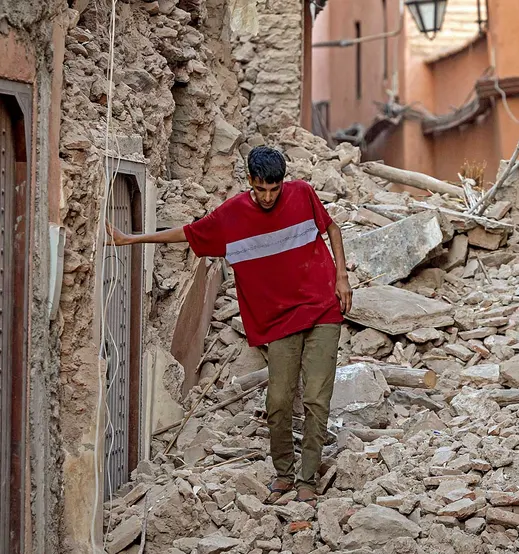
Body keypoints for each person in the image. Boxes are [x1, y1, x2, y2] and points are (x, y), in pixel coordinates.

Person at [106, 146, 352, 508]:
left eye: (274, 189)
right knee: (279, 401)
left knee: (317, 398)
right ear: (250, 181)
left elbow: (330, 227)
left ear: (283, 182)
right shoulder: (232, 215)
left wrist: (342, 277)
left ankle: (307, 479)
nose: (268, 197)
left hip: (322, 310)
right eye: (261, 189)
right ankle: (284, 474)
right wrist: (133, 240)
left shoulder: (302, 193)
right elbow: (188, 234)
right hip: (279, 320)